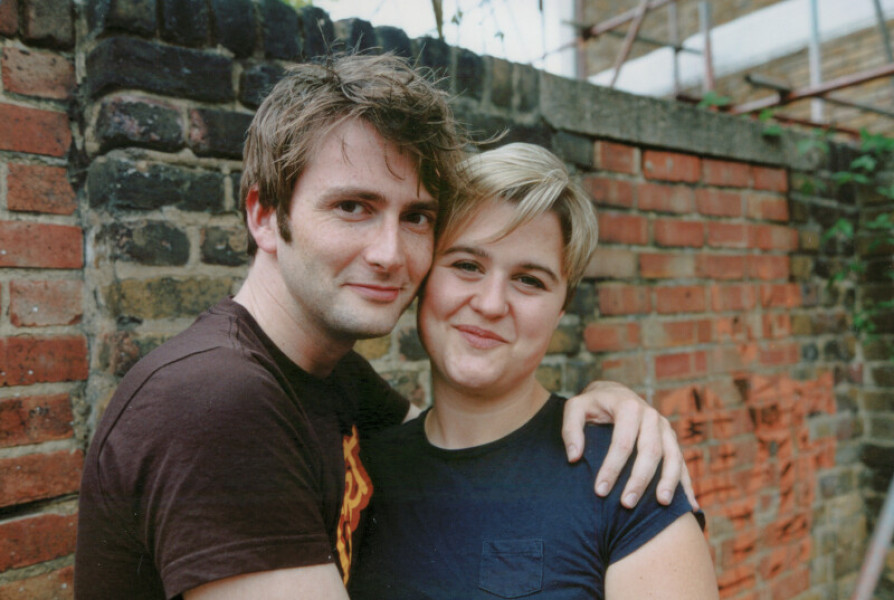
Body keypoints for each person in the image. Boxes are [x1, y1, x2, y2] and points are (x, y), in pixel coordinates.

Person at [75, 55, 693, 600]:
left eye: (417, 216)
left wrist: (614, 405)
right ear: (265, 215)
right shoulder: (215, 398)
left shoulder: (341, 386)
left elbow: (463, 455)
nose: (389, 253)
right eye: (353, 207)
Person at [349, 143, 719, 599]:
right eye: (466, 265)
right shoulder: (360, 469)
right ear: (425, 275)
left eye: (529, 280)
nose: (490, 303)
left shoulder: (623, 474)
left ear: (561, 308)